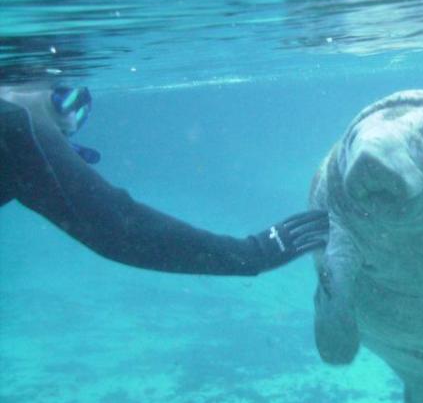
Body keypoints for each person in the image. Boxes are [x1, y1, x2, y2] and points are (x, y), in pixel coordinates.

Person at [0, 83, 328, 275]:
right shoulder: (13, 121)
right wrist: (252, 254)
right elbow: (118, 227)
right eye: (63, 96)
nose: (70, 116)